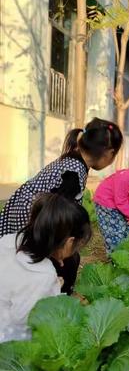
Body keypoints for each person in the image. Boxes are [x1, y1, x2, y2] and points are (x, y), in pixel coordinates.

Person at [0, 117, 122, 293]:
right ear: (109, 153)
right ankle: (57, 298)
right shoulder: (72, 175)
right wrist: (56, 250)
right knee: (67, 261)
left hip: (24, 210)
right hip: (31, 218)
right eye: (115, 154)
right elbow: (56, 216)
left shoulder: (75, 156)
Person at [0, 194, 91, 343]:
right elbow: (25, 319)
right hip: (9, 343)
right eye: (77, 246)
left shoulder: (8, 241)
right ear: (69, 242)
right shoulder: (44, 275)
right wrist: (54, 289)